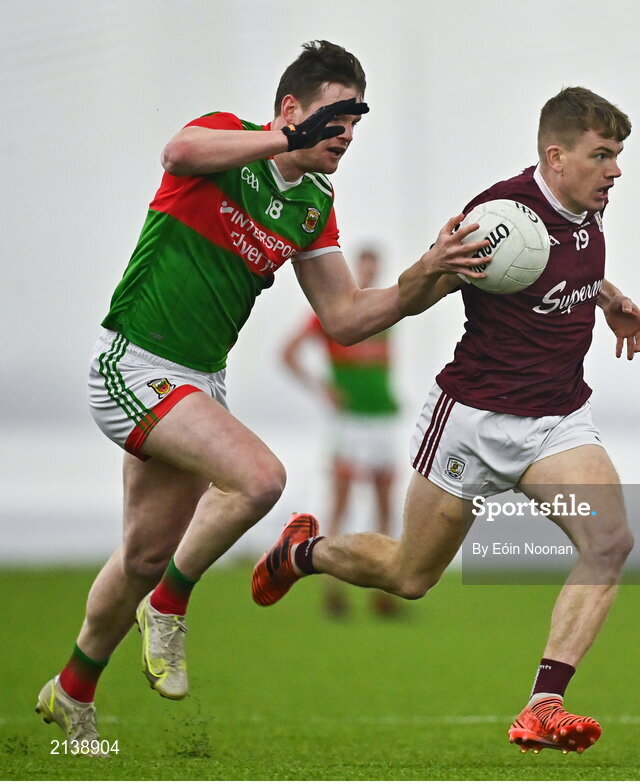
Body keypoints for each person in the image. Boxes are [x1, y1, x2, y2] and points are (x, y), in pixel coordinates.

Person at [35, 40, 490, 751]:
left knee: (143, 555)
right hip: (133, 362)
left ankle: (72, 692)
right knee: (260, 479)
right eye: (334, 117)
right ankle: (171, 608)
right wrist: (280, 140)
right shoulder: (227, 141)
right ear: (289, 109)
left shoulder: (313, 205)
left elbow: (343, 316)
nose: (344, 135)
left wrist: (431, 273)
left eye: (353, 125)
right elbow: (178, 151)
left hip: (197, 382)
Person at [252, 86, 640, 754]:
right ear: (557, 157)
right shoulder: (499, 221)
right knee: (409, 578)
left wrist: (609, 297)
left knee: (610, 542)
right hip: (473, 420)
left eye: (617, 155)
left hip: (555, 421)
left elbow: (565, 266)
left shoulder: (588, 208)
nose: (615, 170)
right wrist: (431, 264)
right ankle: (304, 552)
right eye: (602, 155)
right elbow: (413, 297)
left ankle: (543, 704)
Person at [280, 247, 401, 617]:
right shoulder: (334, 311)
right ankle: (332, 588)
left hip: (383, 416)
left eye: (372, 268)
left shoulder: (387, 311)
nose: (367, 275)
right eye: (362, 269)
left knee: (385, 504)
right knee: (343, 502)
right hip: (350, 420)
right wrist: (322, 388)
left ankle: (384, 590)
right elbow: (288, 353)